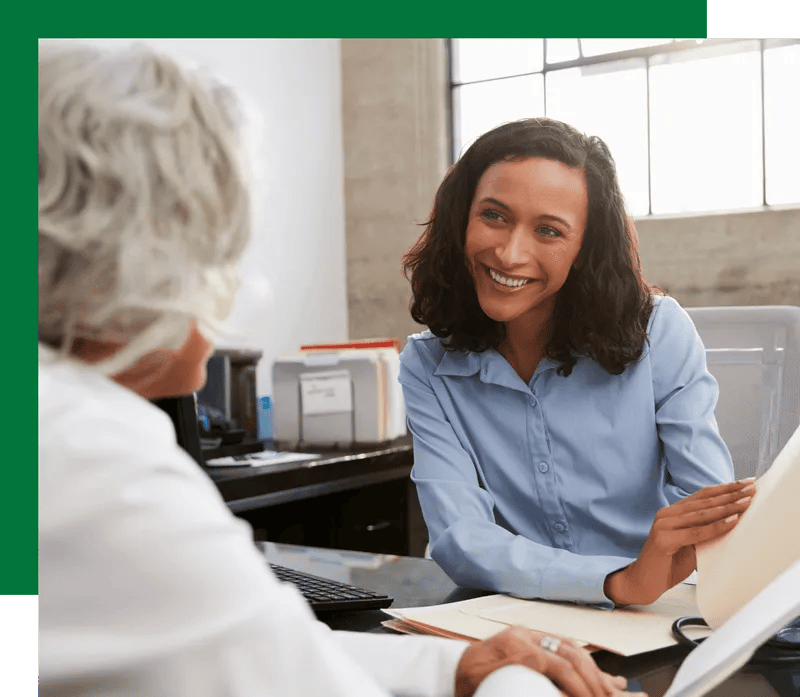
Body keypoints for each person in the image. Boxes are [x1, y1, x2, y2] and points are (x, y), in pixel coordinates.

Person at [38, 44, 637, 697]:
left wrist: (459, 666)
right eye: (227, 237)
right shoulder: (99, 465)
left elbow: (273, 650)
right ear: (147, 255)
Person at [399, 117, 755, 609]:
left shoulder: (659, 332)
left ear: (584, 249)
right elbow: (460, 538)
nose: (510, 252)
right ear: (463, 217)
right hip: (514, 611)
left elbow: (711, 512)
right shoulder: (426, 365)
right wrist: (615, 580)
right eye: (495, 216)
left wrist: (644, 577)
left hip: (658, 608)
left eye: (548, 230)